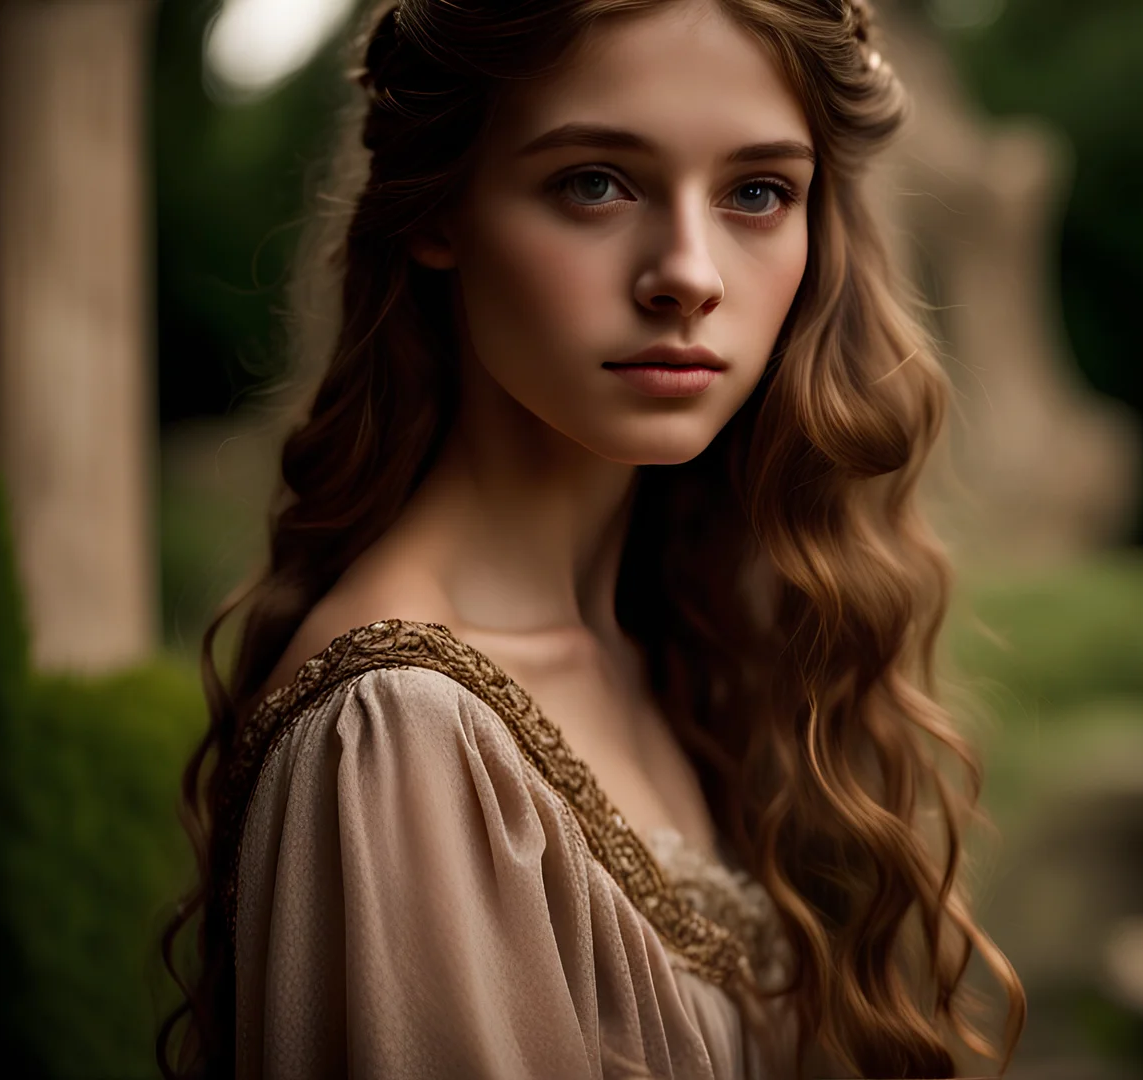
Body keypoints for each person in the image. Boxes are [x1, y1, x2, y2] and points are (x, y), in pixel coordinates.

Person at [155, 0, 1026, 1076]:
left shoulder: (685, 647)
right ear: (439, 209)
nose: (690, 274)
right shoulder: (403, 734)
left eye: (759, 192)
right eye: (595, 183)